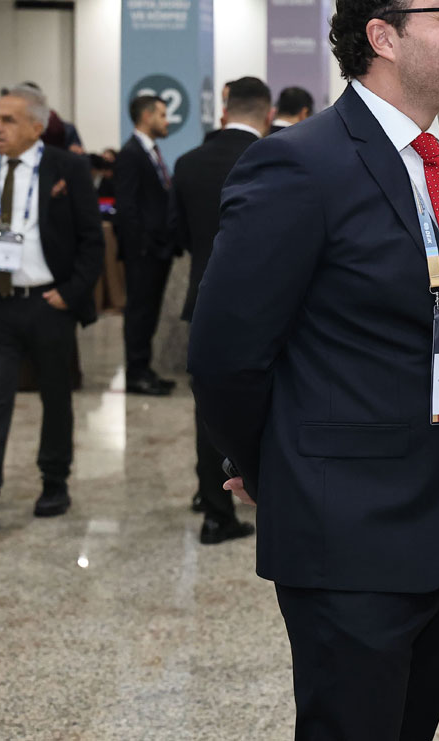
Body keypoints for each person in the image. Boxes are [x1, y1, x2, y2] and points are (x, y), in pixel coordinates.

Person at [188, 0, 439, 741]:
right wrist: (277, 469)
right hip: (347, 536)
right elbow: (226, 356)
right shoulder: (298, 166)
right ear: (383, 35)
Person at [0, 85, 104, 533]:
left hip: (48, 305)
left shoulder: (68, 168)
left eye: (8, 120)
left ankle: (54, 482)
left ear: (37, 127)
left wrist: (70, 293)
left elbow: (92, 241)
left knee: (55, 396)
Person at [169, 77, 271, 545]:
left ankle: (211, 503)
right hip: (263, 305)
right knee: (257, 403)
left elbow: (174, 234)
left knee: (206, 406)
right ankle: (250, 487)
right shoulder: (272, 158)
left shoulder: (187, 162)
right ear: (266, 113)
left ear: (225, 111)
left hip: (203, 298)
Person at [114, 94, 178, 396]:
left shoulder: (150, 151)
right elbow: (127, 206)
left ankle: (144, 367)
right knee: (139, 312)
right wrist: (140, 247)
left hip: (156, 250)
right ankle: (136, 373)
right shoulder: (131, 154)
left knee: (149, 312)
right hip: (143, 252)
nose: (167, 121)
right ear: (147, 116)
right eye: (162, 115)